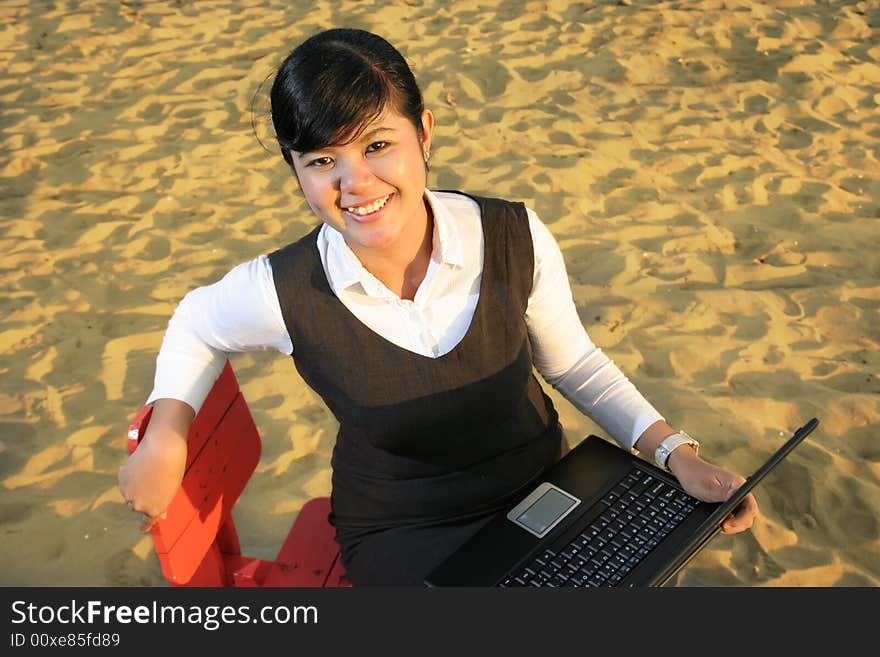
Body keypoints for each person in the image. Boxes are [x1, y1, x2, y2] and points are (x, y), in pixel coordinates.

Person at [118, 27, 758, 586]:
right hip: (403, 529)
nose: (355, 185)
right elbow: (196, 322)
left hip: (542, 491)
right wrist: (168, 432)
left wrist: (679, 454)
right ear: (295, 170)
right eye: (322, 162)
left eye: (376, 146)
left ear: (423, 133)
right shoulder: (284, 288)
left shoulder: (513, 235)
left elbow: (576, 366)